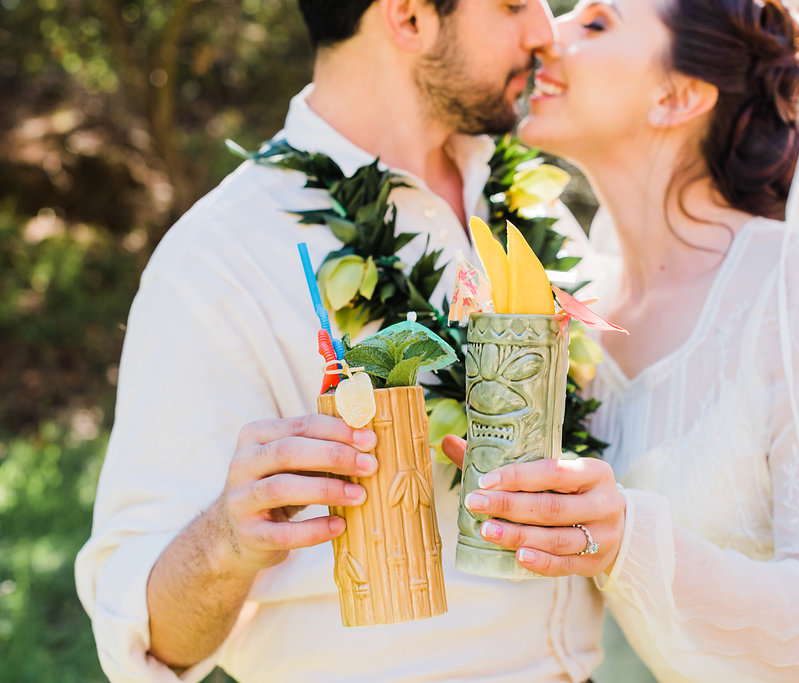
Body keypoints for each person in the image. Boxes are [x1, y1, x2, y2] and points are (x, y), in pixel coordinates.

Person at [442, 0, 799, 680]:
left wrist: (627, 536)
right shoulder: (575, 313)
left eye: (596, 23)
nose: (547, 32)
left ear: (678, 95)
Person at [75, 1, 606, 682]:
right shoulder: (217, 264)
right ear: (411, 17)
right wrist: (227, 538)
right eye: (510, 5)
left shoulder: (530, 203)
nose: (543, 29)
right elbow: (147, 641)